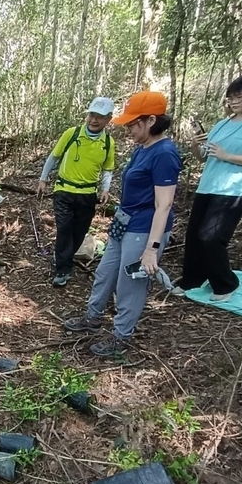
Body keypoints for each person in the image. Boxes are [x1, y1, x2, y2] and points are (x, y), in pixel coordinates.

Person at [63, 92, 182, 357]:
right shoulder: (143, 148)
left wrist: (152, 248)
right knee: (105, 273)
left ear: (151, 120)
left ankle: (121, 336)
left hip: (143, 230)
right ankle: (92, 317)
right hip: (124, 223)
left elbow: (163, 205)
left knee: (131, 284)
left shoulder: (164, 154)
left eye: (132, 124)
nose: (127, 129)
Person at [171, 74, 242, 301]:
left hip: (235, 189)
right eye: (230, 97)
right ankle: (192, 280)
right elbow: (204, 157)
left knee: (211, 237)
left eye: (239, 96)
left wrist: (227, 155)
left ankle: (226, 284)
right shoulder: (223, 124)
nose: (233, 101)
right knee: (194, 238)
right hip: (208, 185)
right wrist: (196, 143)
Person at [38, 97, 116, 287]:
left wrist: (105, 189)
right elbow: (54, 156)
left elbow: (107, 168)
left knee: (79, 231)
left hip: (88, 194)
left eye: (100, 117)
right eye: (92, 115)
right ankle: (63, 270)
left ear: (109, 119)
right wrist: (43, 179)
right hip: (64, 190)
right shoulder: (72, 134)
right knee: (64, 228)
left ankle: (62, 257)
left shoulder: (108, 142)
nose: (94, 120)